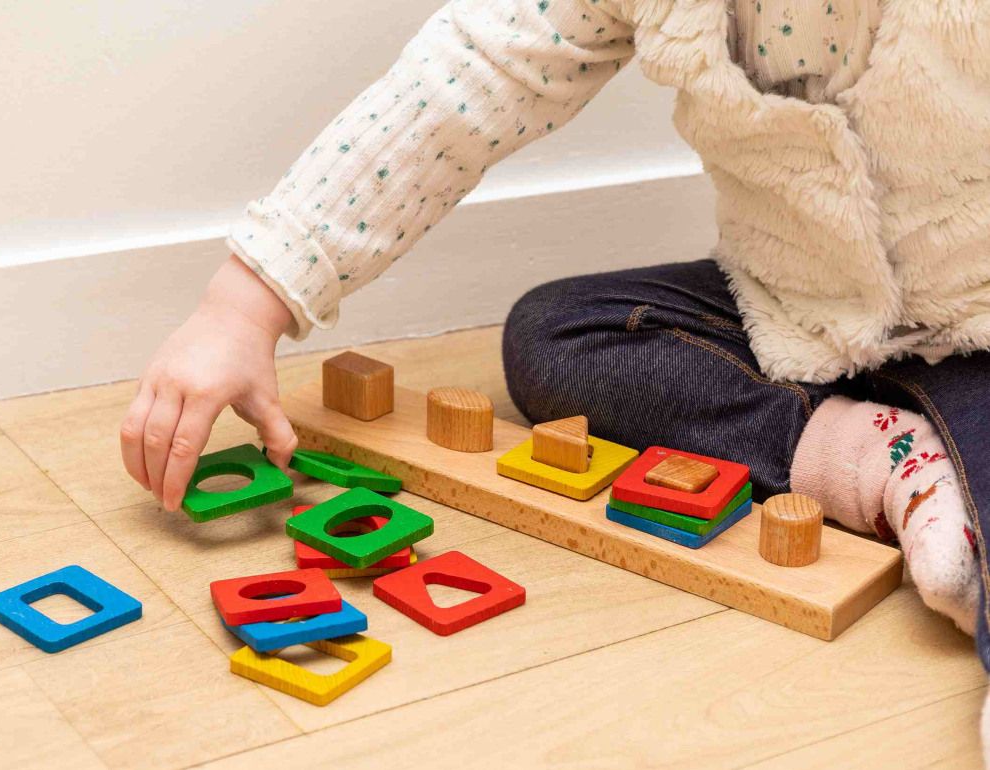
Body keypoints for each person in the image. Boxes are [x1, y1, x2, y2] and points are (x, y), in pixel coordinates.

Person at [120, 0, 990, 739]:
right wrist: (245, 303)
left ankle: (950, 459)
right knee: (556, 333)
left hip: (981, 312)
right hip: (798, 309)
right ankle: (890, 457)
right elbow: (468, 79)